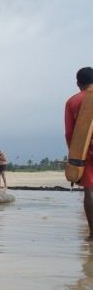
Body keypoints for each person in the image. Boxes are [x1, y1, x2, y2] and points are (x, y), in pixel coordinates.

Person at [65, 66, 93, 239]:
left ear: (78, 83)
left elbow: (69, 133)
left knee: (90, 191)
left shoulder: (73, 102)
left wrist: (75, 157)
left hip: (85, 152)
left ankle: (92, 234)